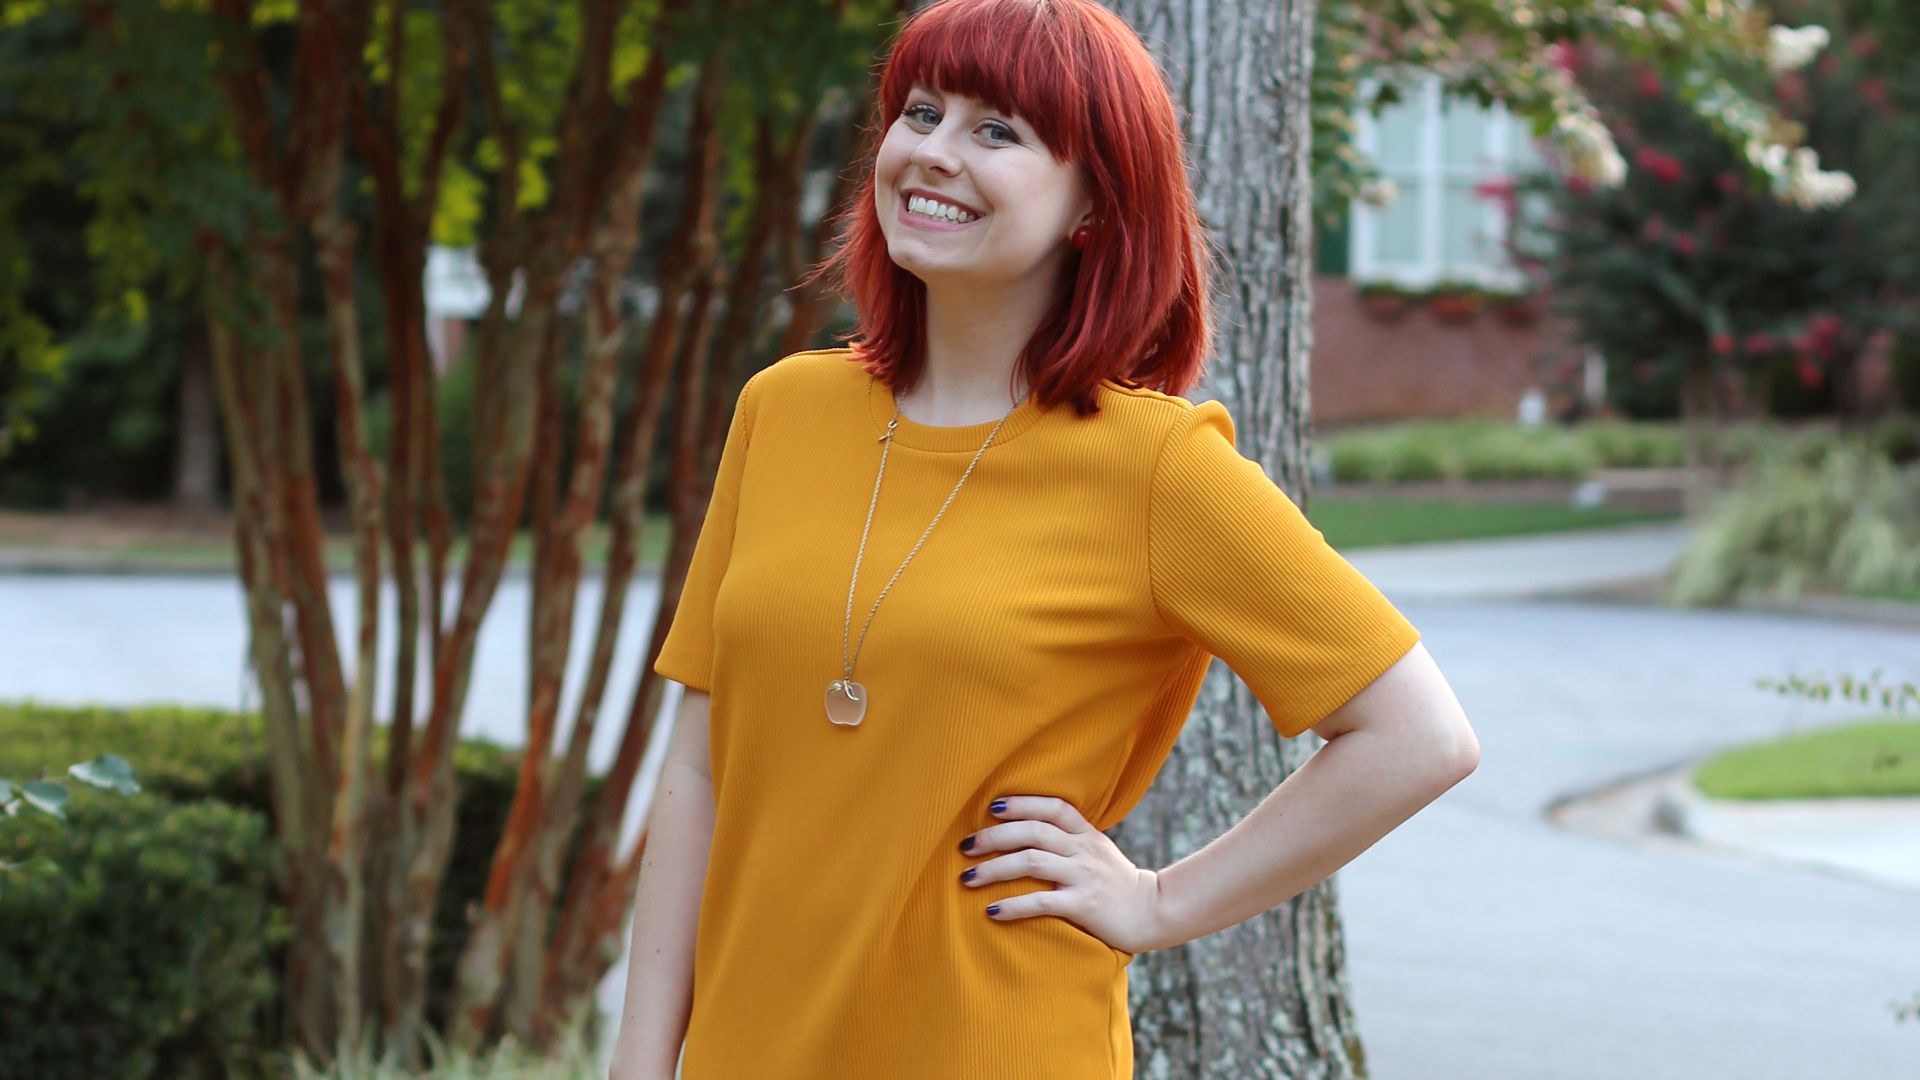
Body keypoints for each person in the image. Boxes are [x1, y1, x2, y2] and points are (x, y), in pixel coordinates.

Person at [609, 1, 1479, 1076]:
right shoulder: (782, 412)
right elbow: (698, 771)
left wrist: (1160, 901)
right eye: (922, 111)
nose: (932, 151)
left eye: (997, 131)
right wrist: (642, 1065)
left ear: (1093, 209)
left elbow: (1418, 736)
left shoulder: (1155, 467)